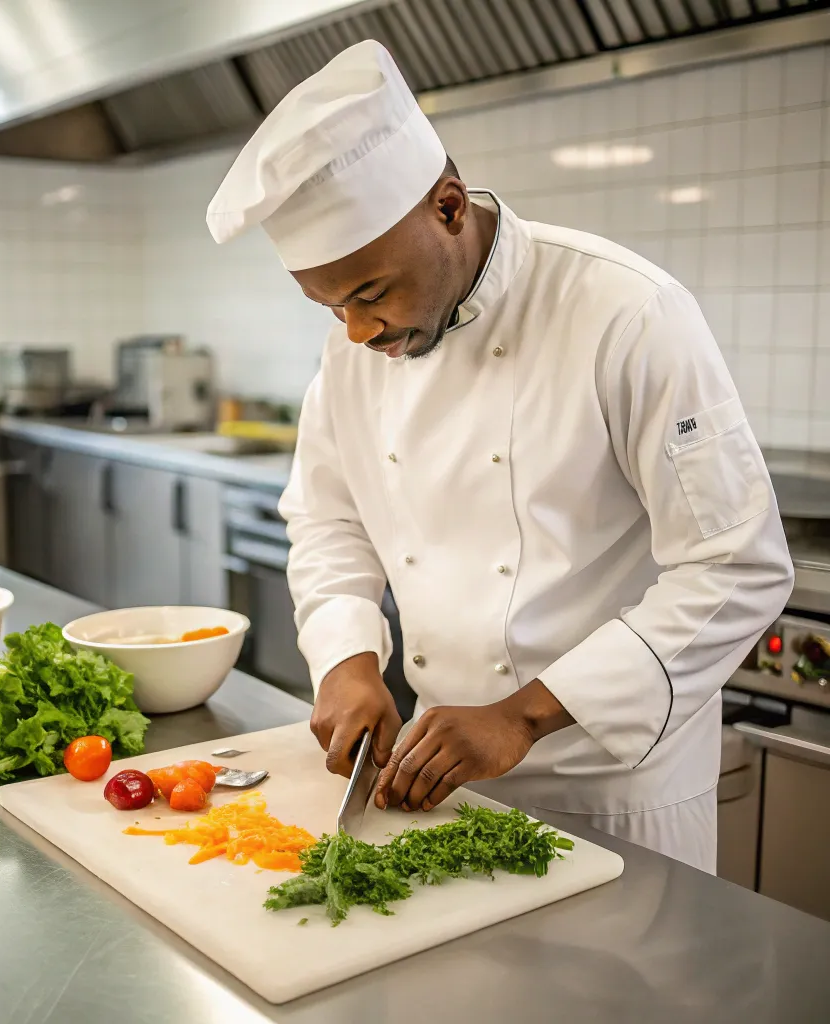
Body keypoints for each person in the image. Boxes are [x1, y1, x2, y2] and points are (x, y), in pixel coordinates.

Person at [206, 40, 794, 872]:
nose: (357, 332)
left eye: (370, 293)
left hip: (617, 792)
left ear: (448, 207)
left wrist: (520, 716)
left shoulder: (625, 313)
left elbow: (737, 567)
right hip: (444, 781)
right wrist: (344, 658)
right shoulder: (355, 348)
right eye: (329, 306)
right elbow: (329, 518)